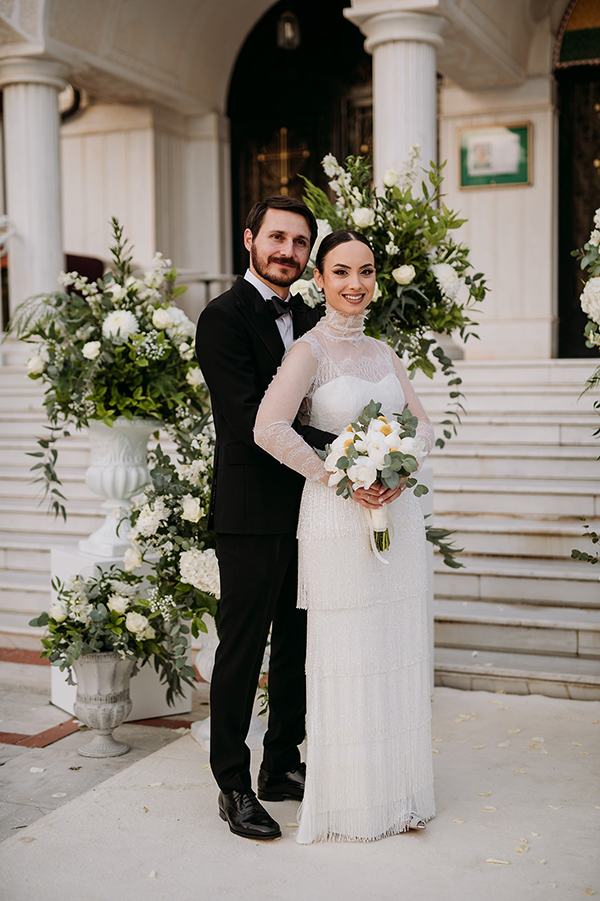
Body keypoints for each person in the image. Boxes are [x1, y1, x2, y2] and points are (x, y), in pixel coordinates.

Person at [254, 230, 436, 843]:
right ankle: (355, 800)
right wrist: (339, 475)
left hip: (395, 514)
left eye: (365, 271)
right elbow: (269, 427)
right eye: (340, 272)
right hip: (336, 516)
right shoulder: (308, 351)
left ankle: (399, 791)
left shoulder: (385, 352)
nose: (355, 284)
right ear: (320, 280)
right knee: (349, 650)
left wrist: (399, 472)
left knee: (393, 642)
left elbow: (422, 425)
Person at [196, 196, 349, 841]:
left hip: (312, 508)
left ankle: (281, 764)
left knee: (297, 644)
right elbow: (250, 417)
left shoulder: (315, 316)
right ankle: (232, 781)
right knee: (243, 647)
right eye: (277, 238)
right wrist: (347, 454)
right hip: (252, 509)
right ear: (250, 239)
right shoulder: (222, 318)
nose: (288, 251)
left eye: (299, 242)